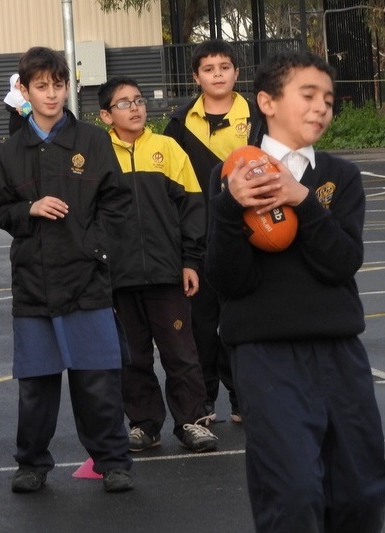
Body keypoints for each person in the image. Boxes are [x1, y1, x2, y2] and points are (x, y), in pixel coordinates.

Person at [205, 50, 385, 532]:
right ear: (266, 100)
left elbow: (342, 263)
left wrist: (302, 200)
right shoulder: (232, 176)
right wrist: (228, 211)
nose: (321, 107)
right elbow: (230, 280)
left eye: (328, 99)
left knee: (361, 489)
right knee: (292, 492)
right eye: (307, 95)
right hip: (267, 356)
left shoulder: (338, 177)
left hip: (338, 352)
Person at [0, 46, 134, 493]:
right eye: (41, 86)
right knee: (35, 386)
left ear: (68, 86)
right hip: (34, 285)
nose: (52, 94)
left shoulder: (92, 141)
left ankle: (113, 461)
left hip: (87, 282)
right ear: (26, 91)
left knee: (98, 382)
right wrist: (29, 208)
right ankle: (32, 463)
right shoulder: (12, 150)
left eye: (58, 84)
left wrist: (94, 248)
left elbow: (117, 204)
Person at [98, 76, 218, 453]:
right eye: (124, 103)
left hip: (168, 274)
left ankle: (192, 422)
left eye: (139, 100)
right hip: (119, 278)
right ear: (105, 115)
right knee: (132, 357)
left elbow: (193, 209)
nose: (135, 108)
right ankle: (144, 425)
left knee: (181, 352)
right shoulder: (98, 155)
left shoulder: (167, 148)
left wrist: (190, 261)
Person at [164, 39, 265, 423]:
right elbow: (168, 181)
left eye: (224, 67)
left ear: (237, 73)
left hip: (248, 233)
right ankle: (203, 401)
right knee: (201, 326)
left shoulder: (258, 116)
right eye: (208, 69)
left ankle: (244, 399)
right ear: (196, 76)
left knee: (243, 320)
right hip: (198, 237)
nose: (217, 74)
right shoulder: (178, 122)